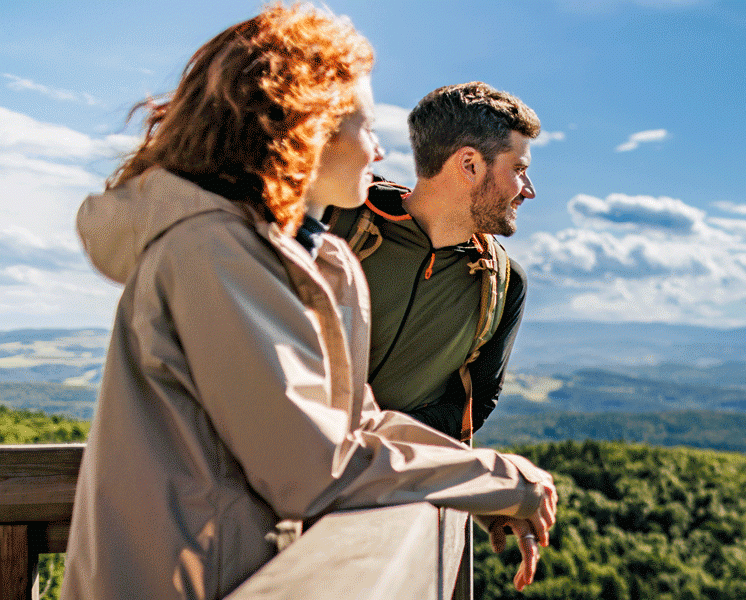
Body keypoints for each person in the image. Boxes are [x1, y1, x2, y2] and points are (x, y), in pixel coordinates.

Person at [65, 5, 554, 598]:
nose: (379, 154)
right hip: (181, 581)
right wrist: (499, 478)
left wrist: (503, 479)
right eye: (366, 128)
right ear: (306, 126)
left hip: (247, 570)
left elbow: (359, 421)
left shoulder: (305, 255)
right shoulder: (211, 251)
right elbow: (314, 468)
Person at [326, 81, 537, 442]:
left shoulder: (503, 282)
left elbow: (473, 405)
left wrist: (373, 440)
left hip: (385, 485)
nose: (528, 189)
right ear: (469, 164)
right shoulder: (338, 218)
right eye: (518, 169)